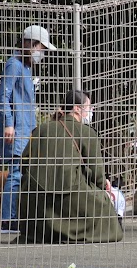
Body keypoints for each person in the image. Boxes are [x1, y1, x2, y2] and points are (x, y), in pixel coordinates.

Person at [17, 89, 124, 243]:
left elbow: (24, 163)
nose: (90, 111)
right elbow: (97, 173)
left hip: (36, 199)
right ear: (77, 108)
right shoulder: (87, 132)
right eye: (88, 107)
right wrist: (103, 185)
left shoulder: (41, 129)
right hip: (71, 194)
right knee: (104, 202)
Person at [0, 25, 56, 234]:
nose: (42, 53)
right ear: (29, 43)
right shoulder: (14, 64)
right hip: (16, 130)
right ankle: (8, 220)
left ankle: (15, 216)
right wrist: (8, 124)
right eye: (41, 47)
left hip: (25, 129)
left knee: (20, 173)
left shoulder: (26, 67)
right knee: (15, 173)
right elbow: (4, 96)